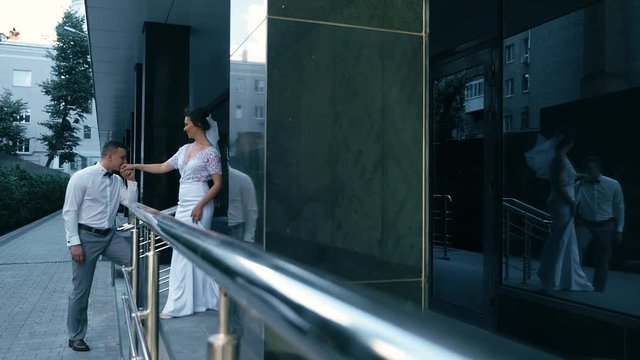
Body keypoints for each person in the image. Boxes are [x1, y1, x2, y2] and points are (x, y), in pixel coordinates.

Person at [123, 108, 223, 319]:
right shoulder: (185, 148)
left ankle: (179, 304)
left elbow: (217, 185)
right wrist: (135, 165)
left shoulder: (211, 152)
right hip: (184, 201)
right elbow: (161, 167)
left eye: (187, 123)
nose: (184, 127)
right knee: (187, 249)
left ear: (197, 124)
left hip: (200, 202)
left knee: (187, 250)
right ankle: (201, 299)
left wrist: (200, 205)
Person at [63, 141, 138, 352]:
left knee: (137, 260)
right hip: (86, 238)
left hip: (110, 236)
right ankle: (75, 336)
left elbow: (130, 204)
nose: (125, 161)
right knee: (81, 290)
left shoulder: (116, 180)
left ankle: (141, 311)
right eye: (122, 157)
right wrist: (74, 243)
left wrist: (131, 181)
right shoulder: (81, 177)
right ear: (110, 156)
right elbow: (69, 212)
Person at [526, 130, 593, 291]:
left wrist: (581, 176)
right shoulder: (558, 160)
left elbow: (566, 179)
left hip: (563, 201)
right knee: (560, 239)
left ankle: (558, 277)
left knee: (563, 238)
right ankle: (553, 278)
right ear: (569, 144)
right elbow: (559, 186)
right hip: (562, 202)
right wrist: (572, 203)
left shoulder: (560, 159)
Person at [575, 157, 624, 292]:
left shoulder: (613, 184)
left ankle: (599, 288)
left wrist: (619, 230)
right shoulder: (581, 184)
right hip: (585, 223)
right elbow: (574, 202)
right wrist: (580, 185)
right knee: (577, 250)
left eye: (592, 169)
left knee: (603, 258)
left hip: (606, 224)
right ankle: (576, 282)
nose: (589, 172)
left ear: (598, 169)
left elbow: (619, 207)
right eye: (587, 170)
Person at [228, 167, 258, 242]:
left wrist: (248, 237)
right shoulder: (207, 179)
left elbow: (251, 210)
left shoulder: (242, 179)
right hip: (212, 230)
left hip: (235, 232)